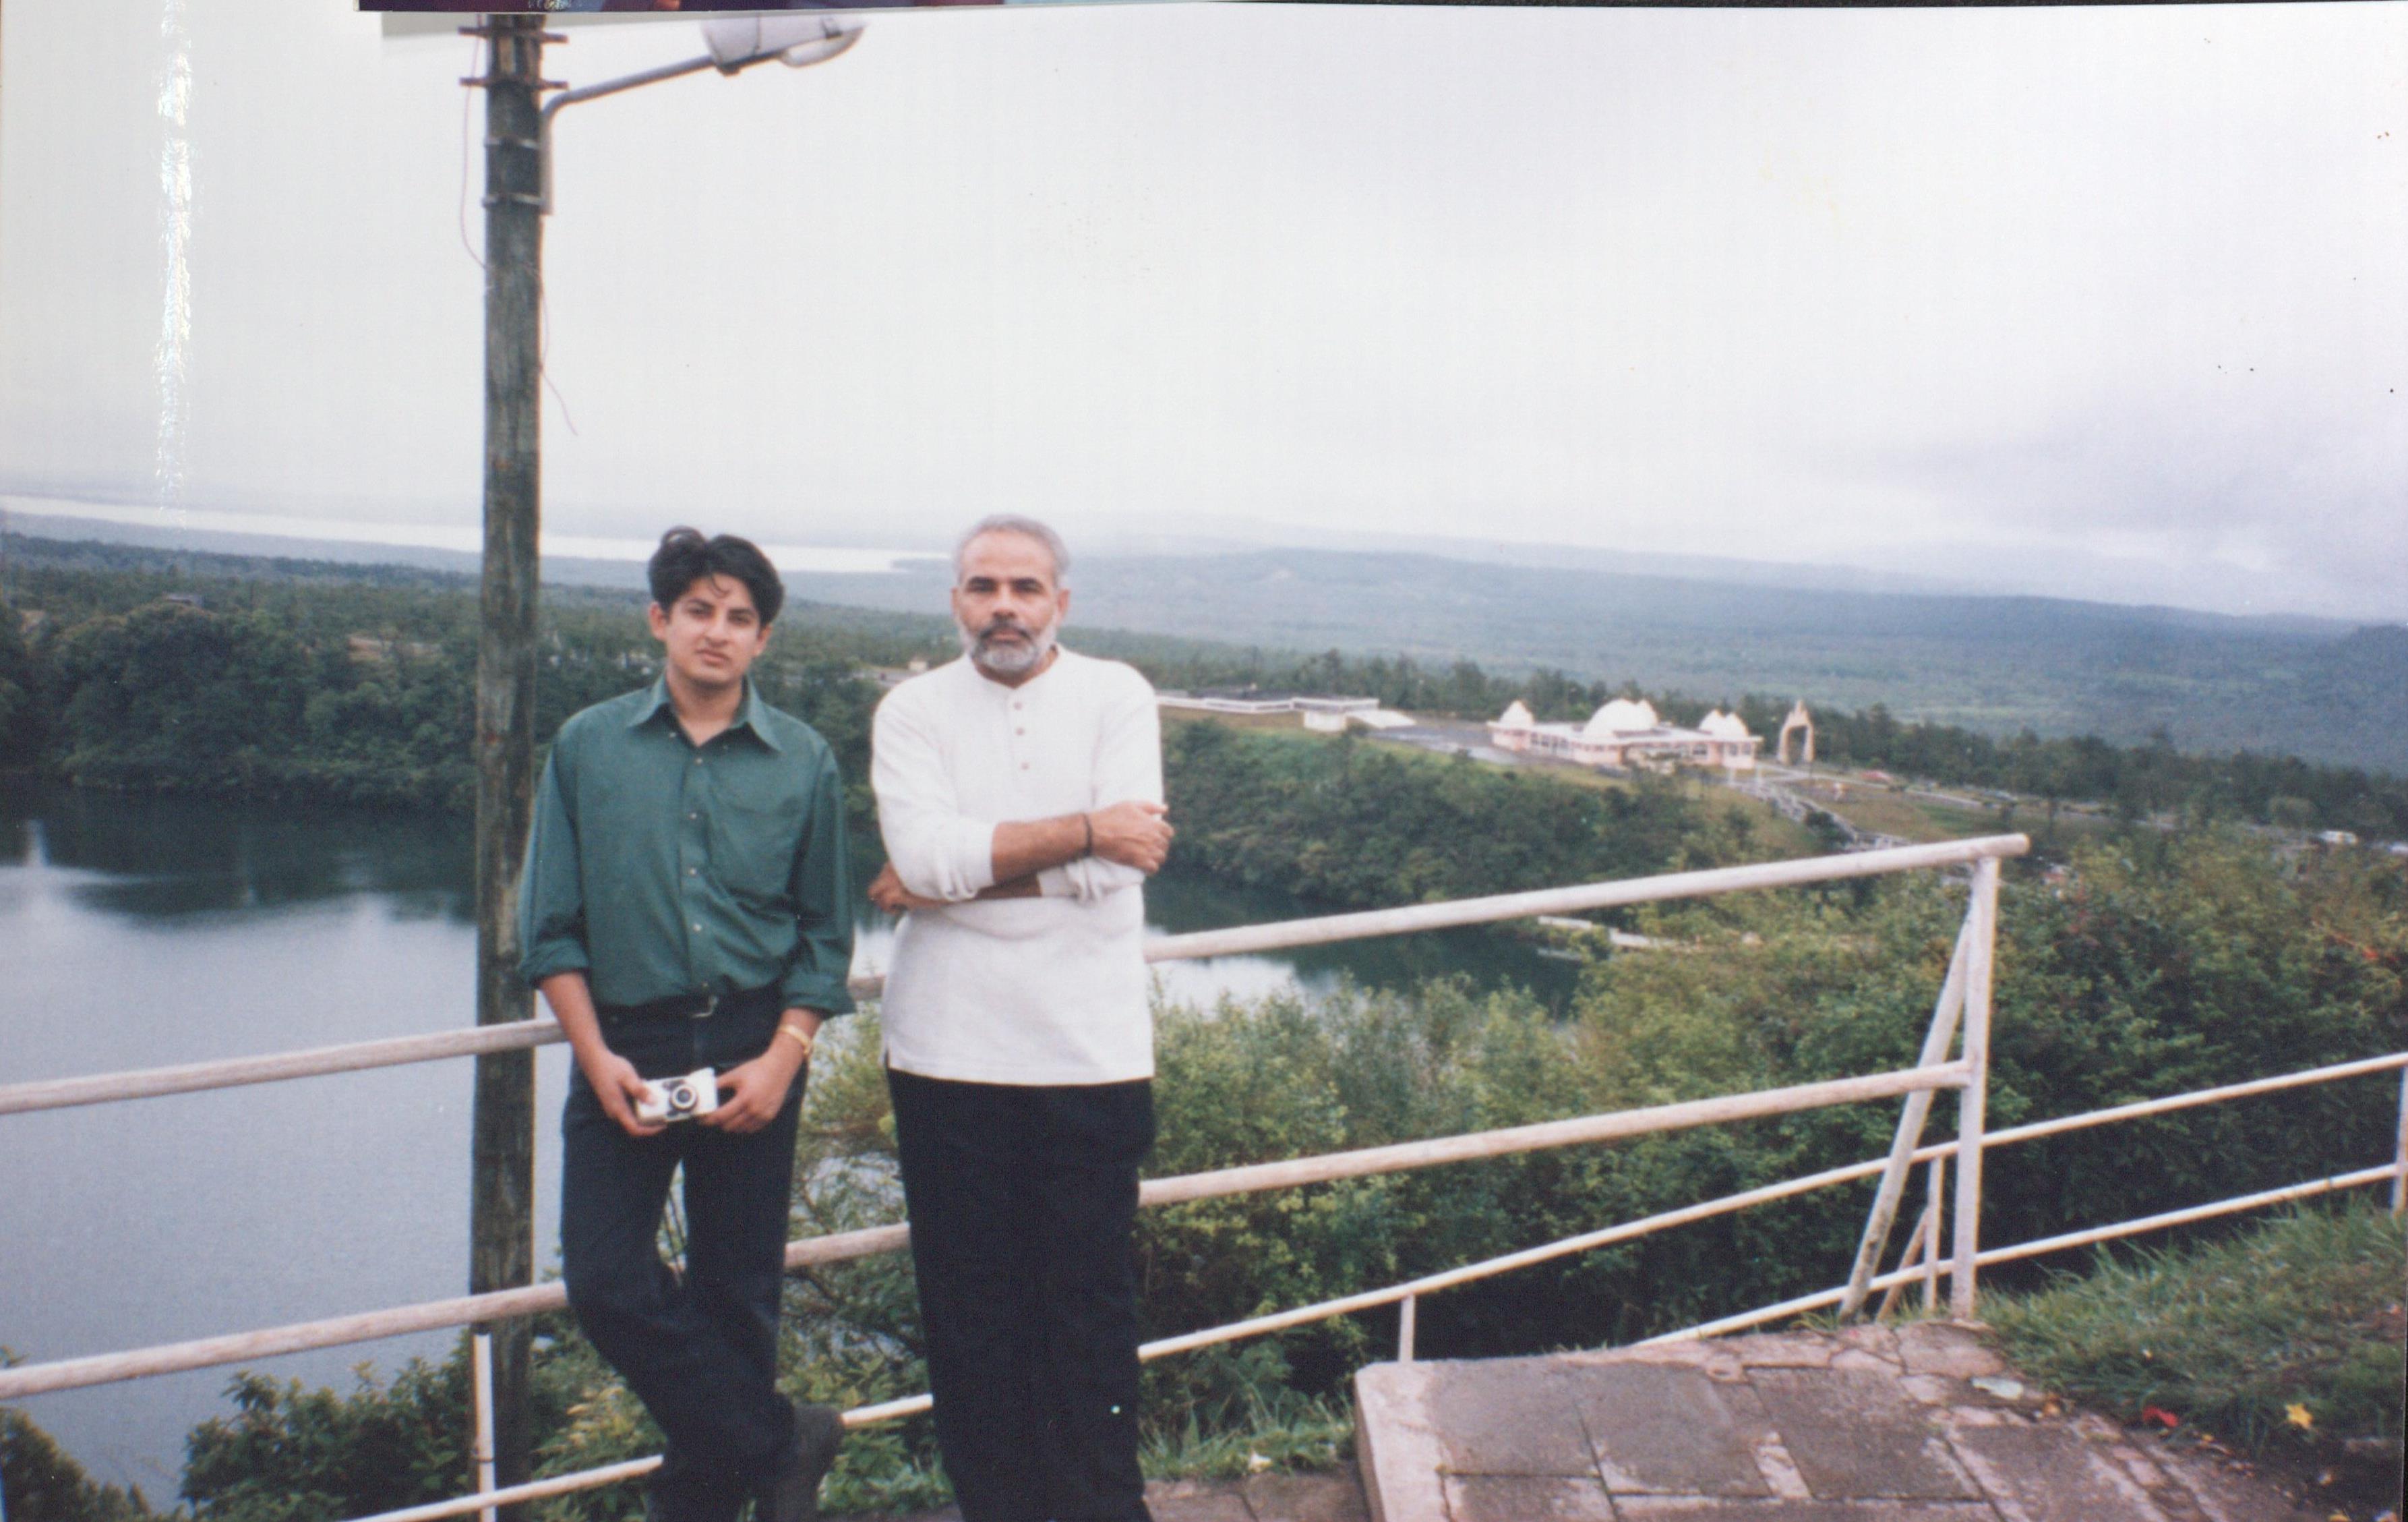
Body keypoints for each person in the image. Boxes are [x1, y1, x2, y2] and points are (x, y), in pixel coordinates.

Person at [519, 528, 855, 1522]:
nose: (718, 631)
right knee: (608, 1279)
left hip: (755, 1042)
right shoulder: (588, 745)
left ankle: (701, 1507)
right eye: (699, 610)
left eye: (740, 616)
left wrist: (785, 1056)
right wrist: (597, 1056)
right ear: (659, 620)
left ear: (763, 639)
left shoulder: (804, 761)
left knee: (737, 1289)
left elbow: (827, 935)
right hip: (627, 1042)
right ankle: (783, 1440)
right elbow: (551, 928)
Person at [866, 515, 1174, 1522]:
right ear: (955, 599)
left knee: (1088, 1313)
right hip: (946, 1054)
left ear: (1061, 603)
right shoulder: (911, 710)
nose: (1004, 606)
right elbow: (926, 861)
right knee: (972, 1319)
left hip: (1089, 1056)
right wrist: (1084, 832)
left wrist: (958, 872)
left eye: (1026, 587)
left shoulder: (1116, 694)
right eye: (983, 585)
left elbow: (1125, 865)